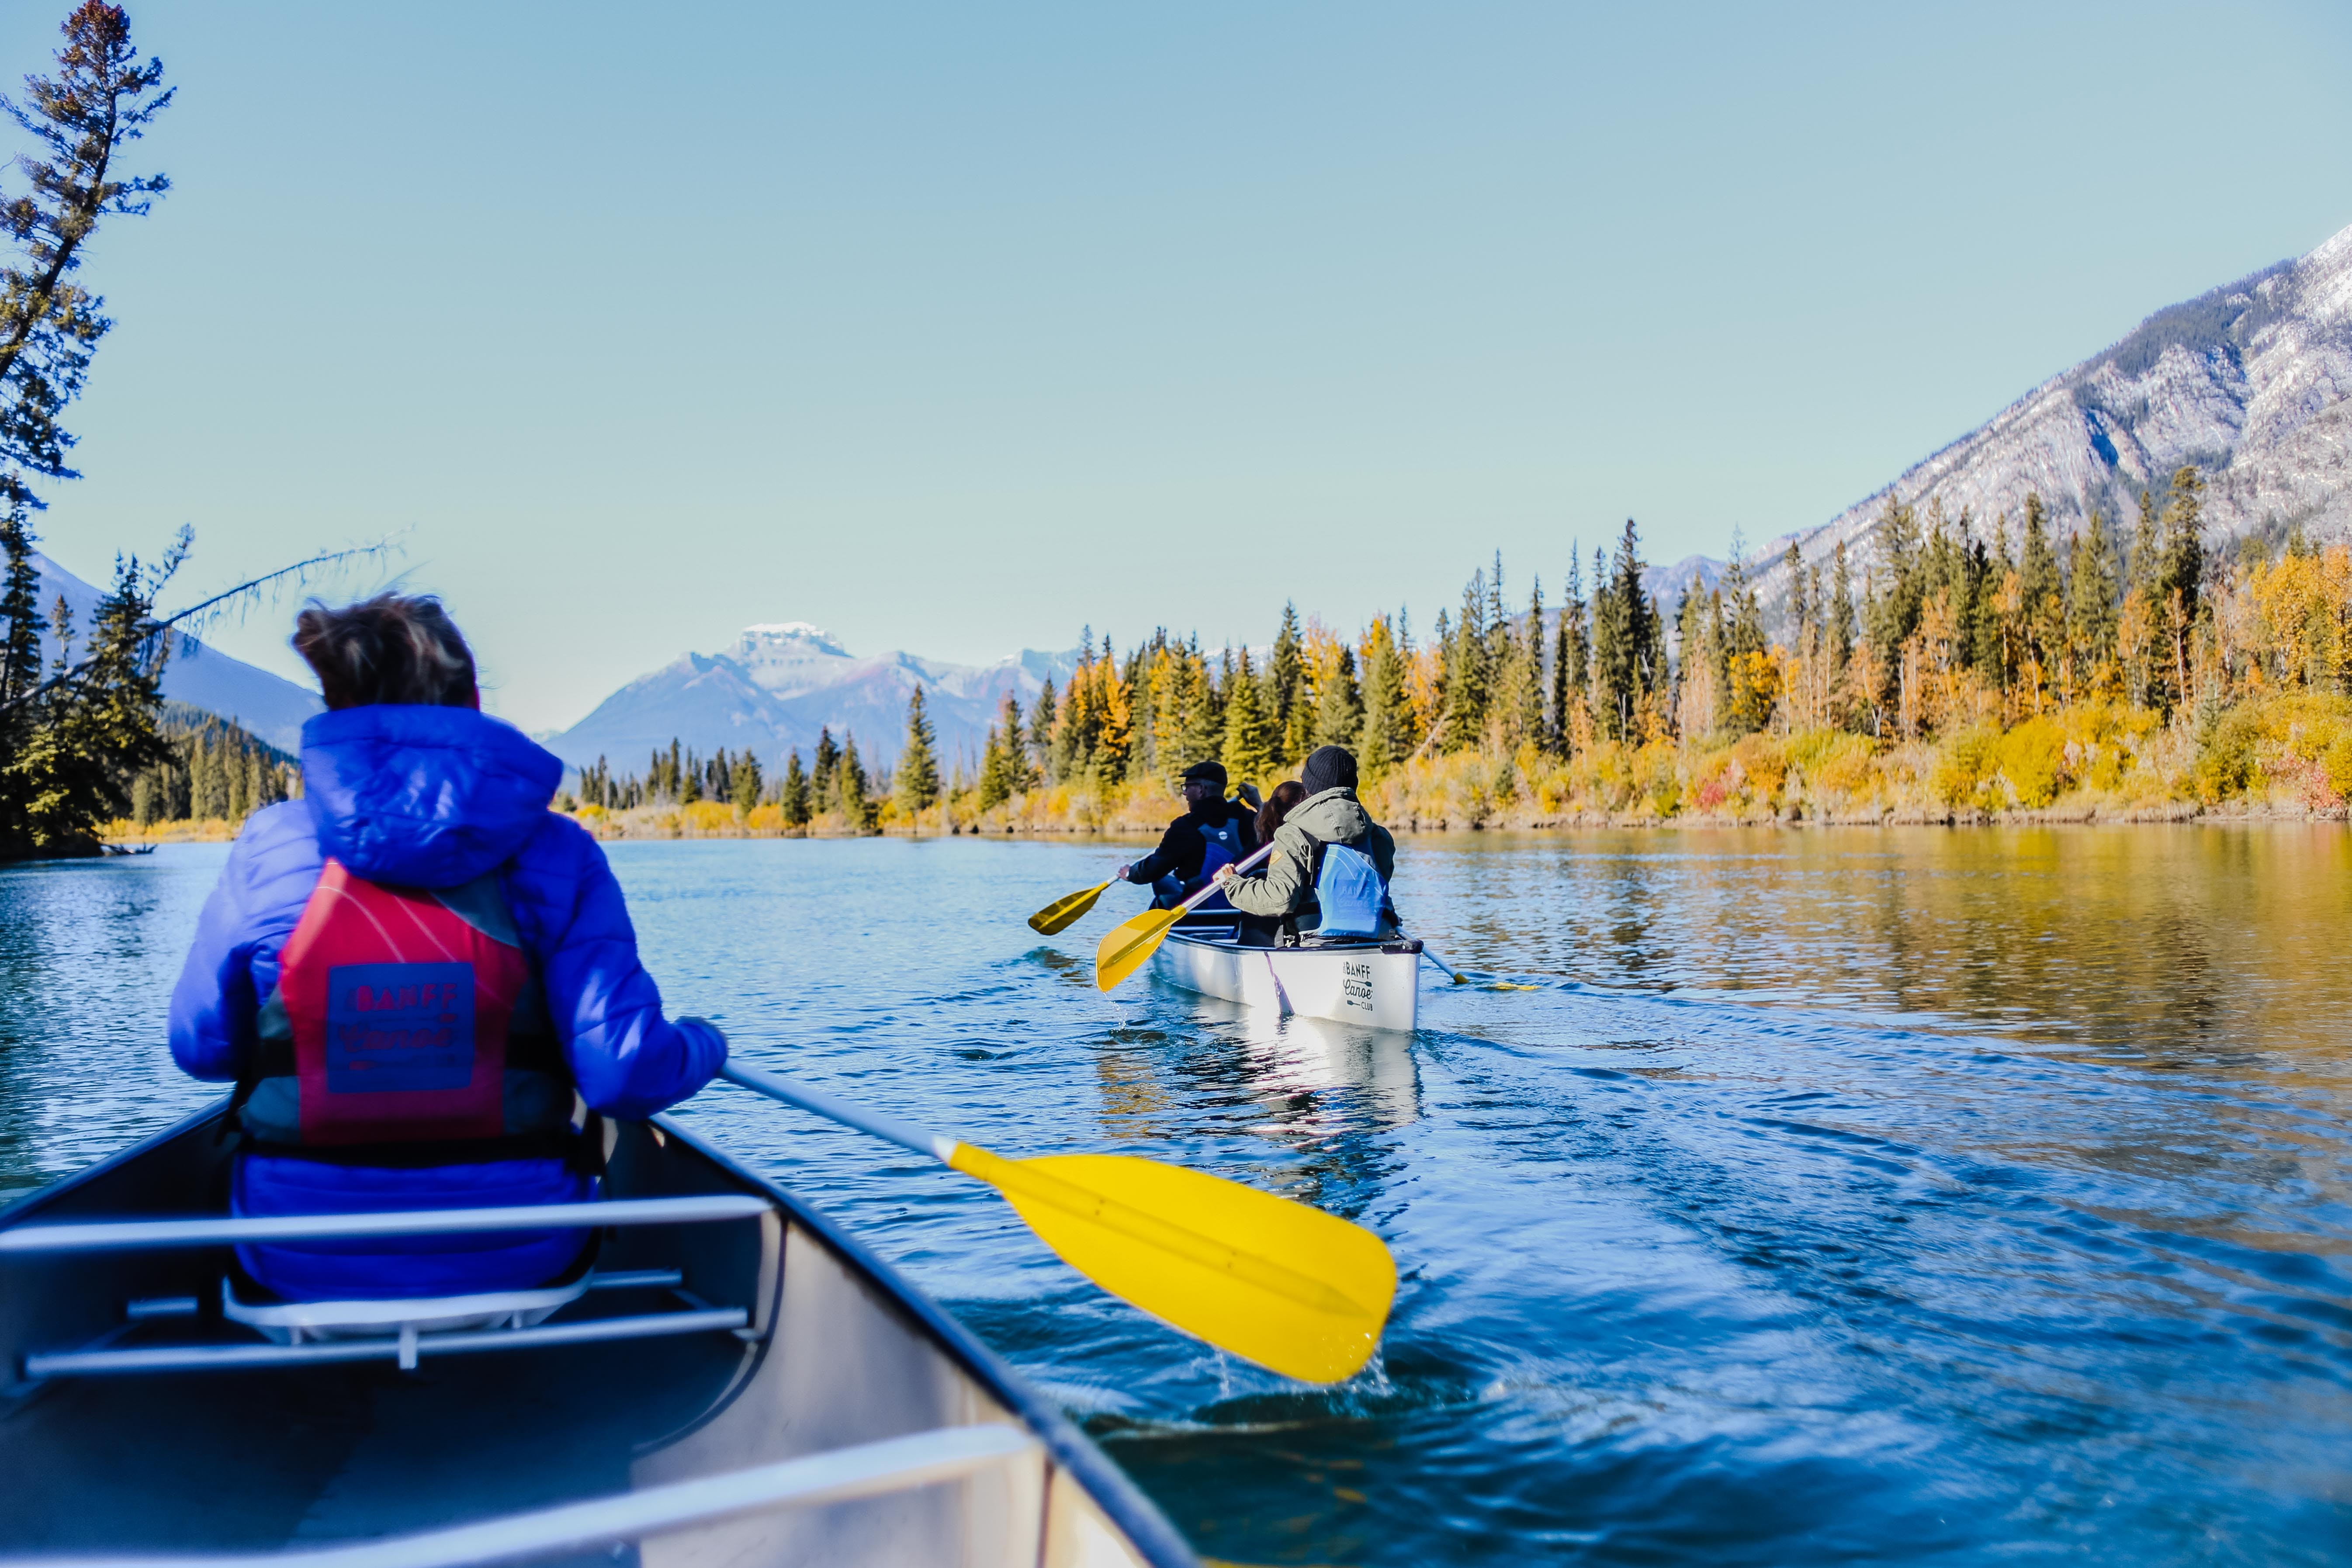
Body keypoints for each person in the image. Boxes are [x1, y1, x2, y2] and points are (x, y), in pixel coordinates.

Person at [168, 593, 727, 1303]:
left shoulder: (271, 846)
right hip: (523, 1252)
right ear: (473, 700)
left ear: (335, 704)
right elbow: (623, 1076)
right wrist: (709, 1042)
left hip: (295, 1253)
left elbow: (201, 1050)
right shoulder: (560, 852)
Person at [1215, 745, 1396, 941]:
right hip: (1377, 938)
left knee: (1260, 881)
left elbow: (1281, 900)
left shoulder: (1291, 834)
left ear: (1309, 785)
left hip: (1315, 942)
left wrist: (1232, 884)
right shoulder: (1380, 836)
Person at [1117, 759, 1260, 910]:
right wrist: (1259, 805)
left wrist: (1131, 873)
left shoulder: (1185, 826)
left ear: (1201, 790)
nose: (1184, 793)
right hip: (1241, 909)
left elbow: (1153, 870)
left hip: (1198, 911)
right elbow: (1275, 832)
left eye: (1187, 787)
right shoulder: (1250, 819)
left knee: (1162, 881)